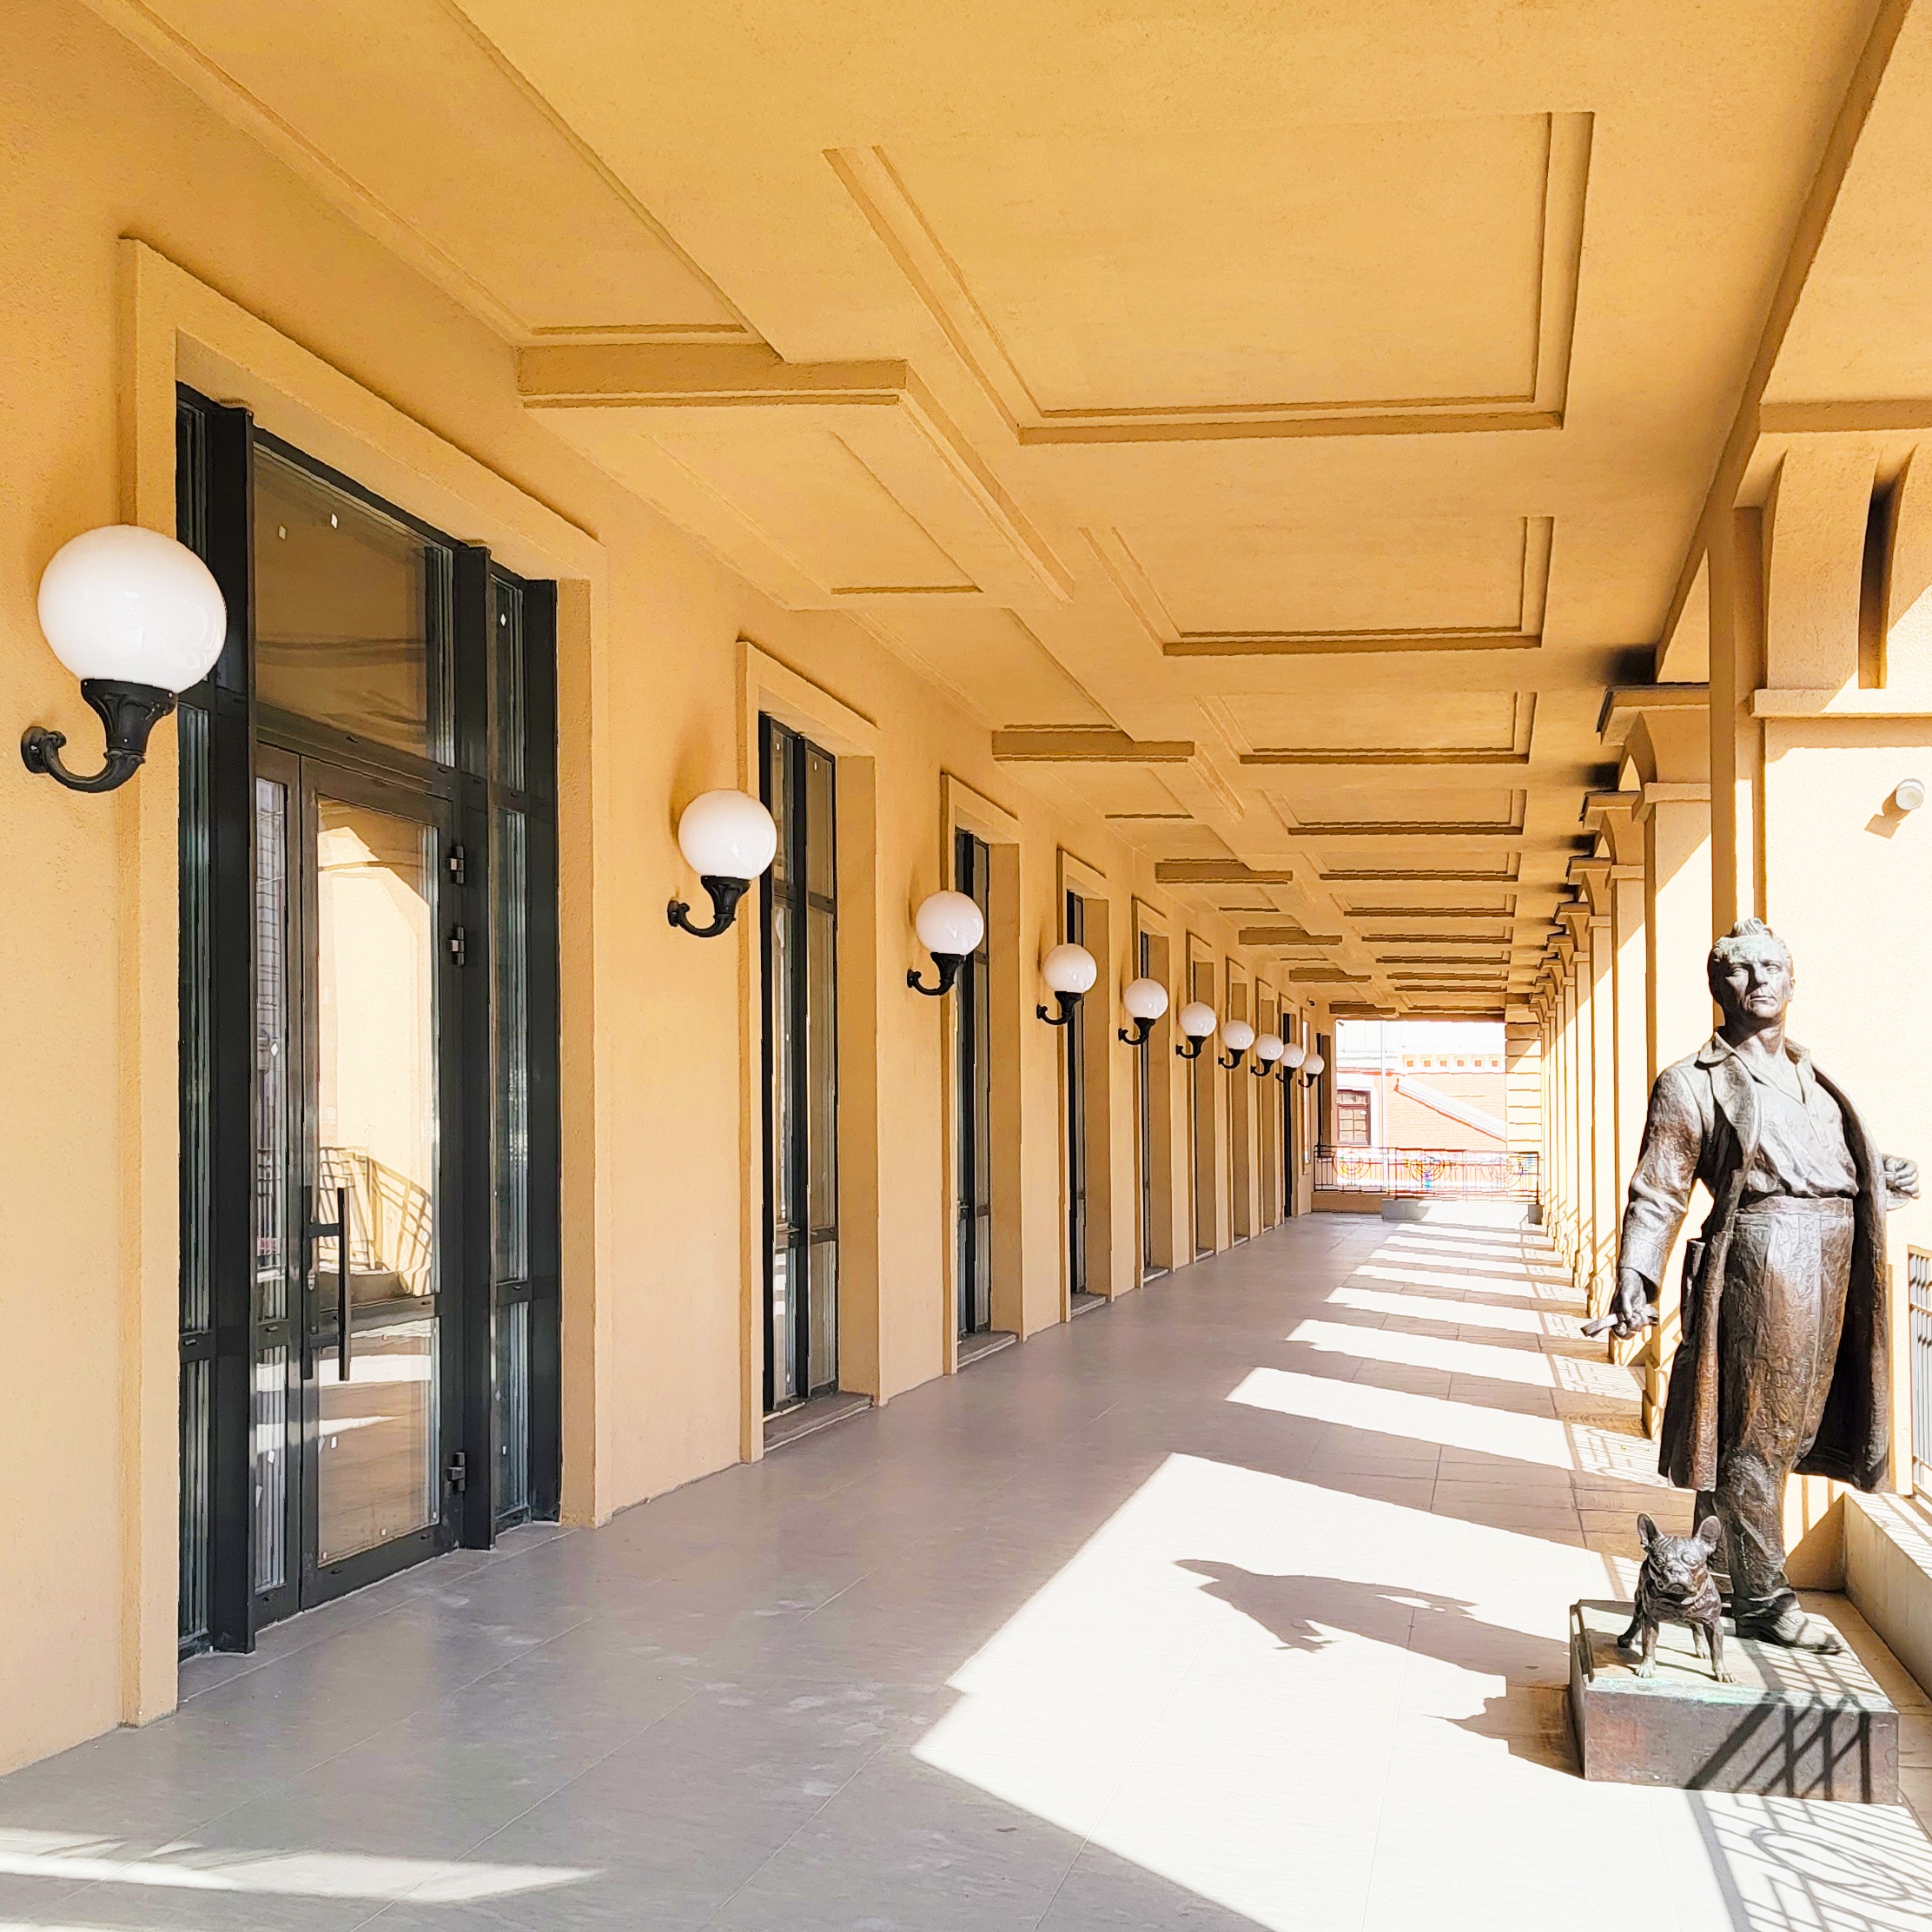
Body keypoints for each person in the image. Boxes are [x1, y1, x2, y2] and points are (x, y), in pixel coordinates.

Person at [1603, 918, 1916, 1650]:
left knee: (1790, 1429)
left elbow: (1819, 1161)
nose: (1758, 981)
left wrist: (1876, 1173)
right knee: (1759, 1434)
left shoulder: (1814, 1078)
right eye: (1740, 970)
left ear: (1792, 981)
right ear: (1719, 988)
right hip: (1763, 1257)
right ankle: (1766, 1600)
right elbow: (1659, 1189)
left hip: (1835, 1258)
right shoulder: (1692, 1081)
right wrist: (1635, 1277)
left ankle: (1714, 1573)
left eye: (1771, 967)